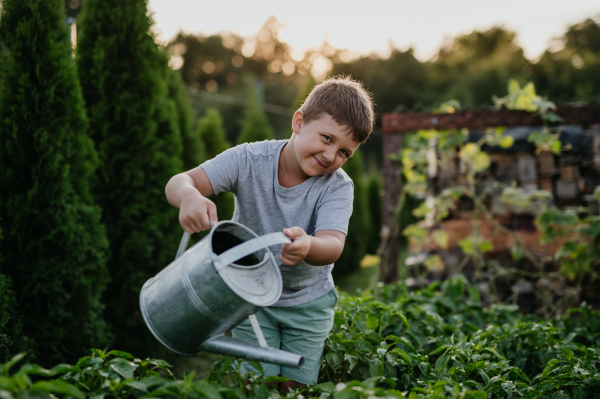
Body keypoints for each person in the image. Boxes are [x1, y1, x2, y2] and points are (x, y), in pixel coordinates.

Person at [165, 75, 374, 390]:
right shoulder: (249, 160)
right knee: (256, 386)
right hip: (250, 298)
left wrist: (309, 245)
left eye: (345, 152)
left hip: (307, 302)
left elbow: (333, 244)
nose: (332, 156)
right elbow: (180, 182)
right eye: (328, 139)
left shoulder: (338, 186)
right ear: (299, 122)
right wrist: (190, 197)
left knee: (294, 387)